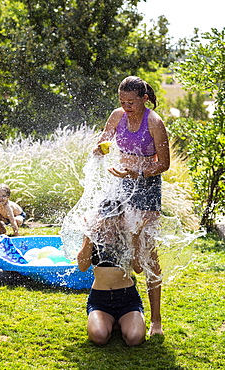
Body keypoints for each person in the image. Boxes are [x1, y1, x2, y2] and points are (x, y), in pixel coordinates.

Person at [92, 76, 170, 336]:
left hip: (147, 189)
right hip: (121, 185)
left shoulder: (154, 122)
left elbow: (164, 164)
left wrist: (136, 173)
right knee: (118, 241)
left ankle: (156, 320)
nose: (126, 107)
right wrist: (100, 150)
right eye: (122, 101)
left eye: (131, 102)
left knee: (147, 253)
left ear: (145, 98)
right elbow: (103, 142)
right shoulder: (117, 116)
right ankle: (121, 306)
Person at [77, 199, 147, 346]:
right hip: (100, 300)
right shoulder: (94, 236)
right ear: (100, 217)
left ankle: (119, 321)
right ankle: (113, 322)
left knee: (135, 339)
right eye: (107, 218)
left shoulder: (128, 236)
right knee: (99, 337)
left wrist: (135, 239)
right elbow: (82, 267)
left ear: (122, 218)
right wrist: (88, 234)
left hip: (127, 299)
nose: (111, 222)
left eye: (115, 218)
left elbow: (138, 269)